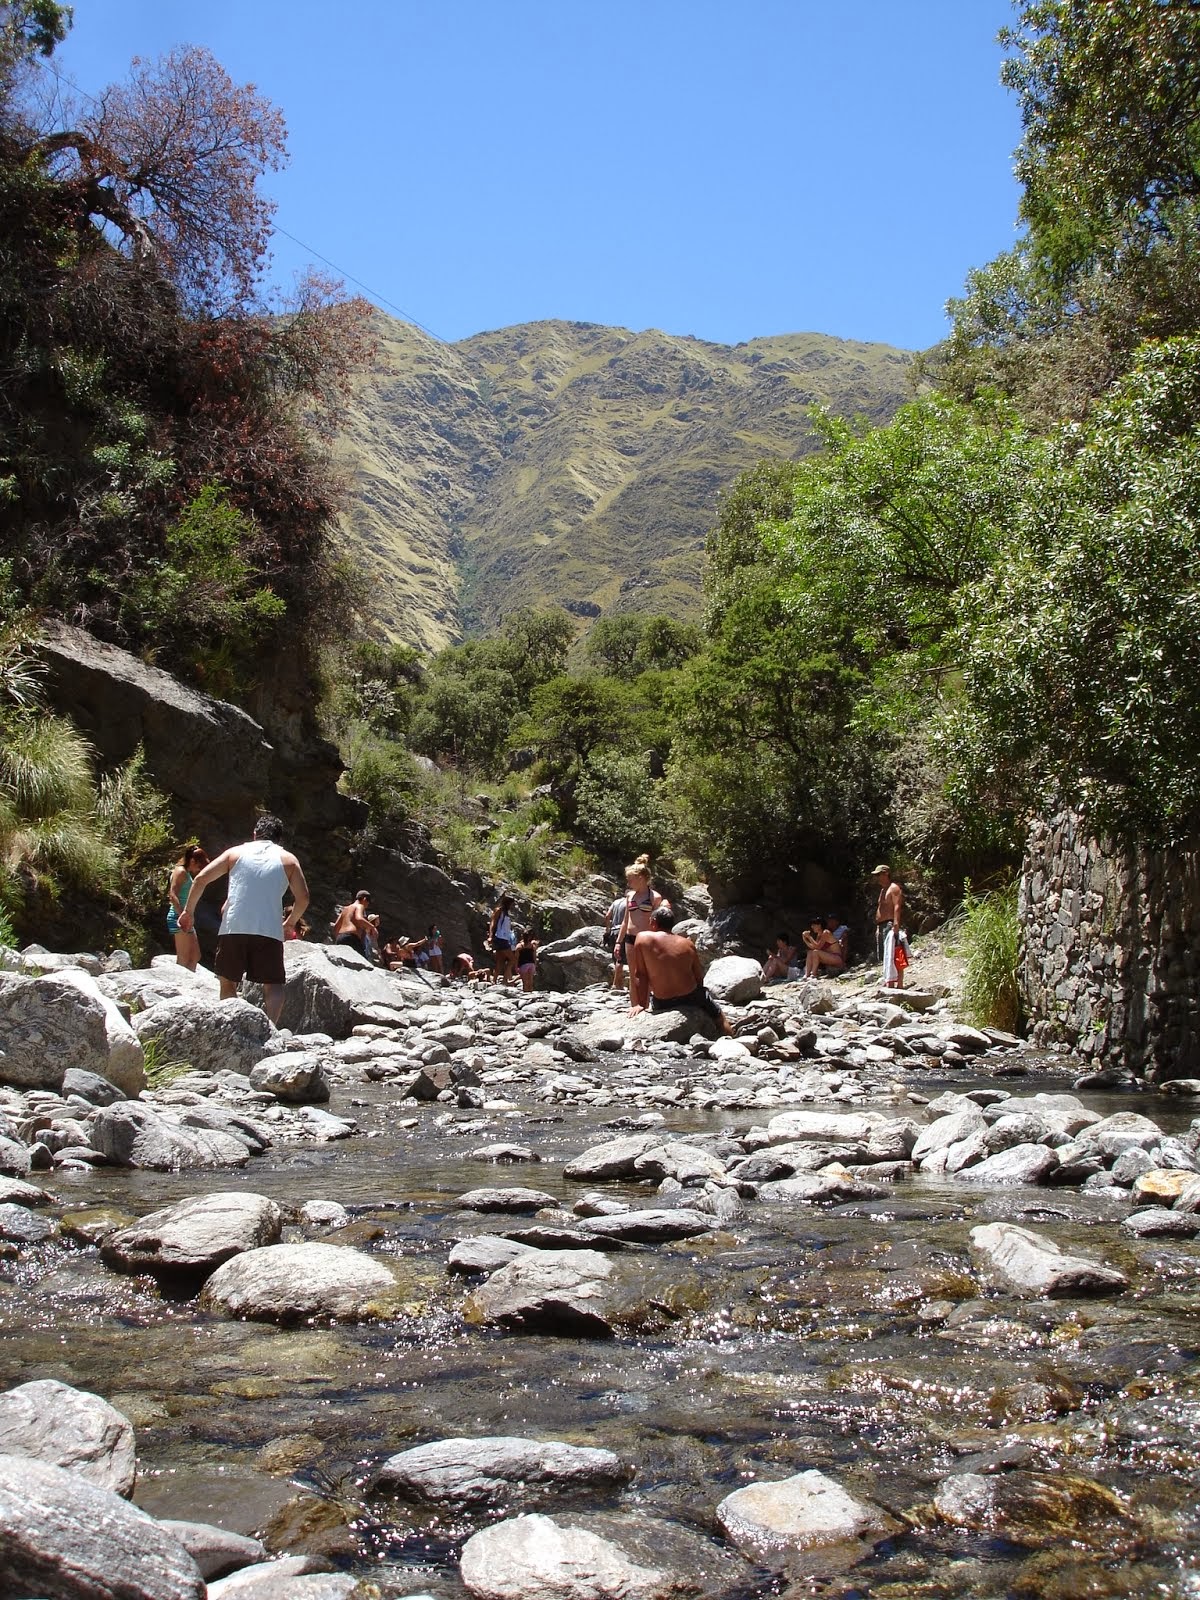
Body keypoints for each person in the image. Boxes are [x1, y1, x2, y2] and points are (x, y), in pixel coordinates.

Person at [178, 814, 309, 1026]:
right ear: (279, 839)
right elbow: (303, 898)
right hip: (269, 929)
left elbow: (201, 879)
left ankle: (232, 1027)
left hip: (234, 926)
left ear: (255, 833)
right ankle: (270, 1030)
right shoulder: (289, 860)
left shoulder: (235, 853)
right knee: (273, 984)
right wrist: (290, 923)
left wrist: (188, 912)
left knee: (227, 981)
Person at [629, 904, 731, 1034]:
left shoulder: (643, 938)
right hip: (691, 997)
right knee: (718, 1016)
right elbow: (699, 977)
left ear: (654, 922)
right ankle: (730, 1037)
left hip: (663, 1002)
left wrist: (641, 1005)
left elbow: (641, 974)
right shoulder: (687, 943)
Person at [616, 854, 668, 972]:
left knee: (647, 972)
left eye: (630, 880)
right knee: (633, 973)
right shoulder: (630, 895)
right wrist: (618, 942)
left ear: (640, 878)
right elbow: (625, 921)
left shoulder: (655, 897)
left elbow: (658, 924)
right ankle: (633, 991)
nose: (628, 884)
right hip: (630, 938)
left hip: (647, 939)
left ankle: (647, 991)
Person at [167, 844, 209, 971]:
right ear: (192, 861)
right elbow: (172, 894)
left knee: (195, 956)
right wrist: (182, 915)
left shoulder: (187, 874)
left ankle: (188, 982)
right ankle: (177, 986)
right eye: (198, 865)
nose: (198, 869)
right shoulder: (180, 872)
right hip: (178, 917)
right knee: (183, 958)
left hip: (186, 918)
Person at [872, 863, 910, 989]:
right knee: (886, 955)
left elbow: (897, 906)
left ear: (886, 874)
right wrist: (878, 927)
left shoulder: (893, 888)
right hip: (882, 925)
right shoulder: (883, 890)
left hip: (890, 924)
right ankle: (890, 982)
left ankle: (899, 984)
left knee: (895, 953)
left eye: (879, 875)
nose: (877, 878)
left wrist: (896, 924)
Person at [332, 890, 374, 959]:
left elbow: (336, 926)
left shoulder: (345, 909)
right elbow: (359, 918)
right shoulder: (360, 906)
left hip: (341, 938)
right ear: (364, 899)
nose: (367, 906)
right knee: (362, 962)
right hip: (352, 938)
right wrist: (372, 927)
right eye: (368, 903)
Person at [488, 894, 518, 984]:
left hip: (504, 938)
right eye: (511, 904)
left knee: (500, 960)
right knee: (513, 959)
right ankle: (505, 979)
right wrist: (490, 936)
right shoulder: (499, 911)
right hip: (500, 938)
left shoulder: (506, 913)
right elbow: (493, 923)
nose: (512, 906)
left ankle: (494, 980)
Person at [604, 889, 630, 990]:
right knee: (621, 958)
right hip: (623, 930)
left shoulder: (615, 902)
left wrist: (607, 929)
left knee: (616, 958)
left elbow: (607, 916)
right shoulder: (629, 903)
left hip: (613, 930)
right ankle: (616, 984)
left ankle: (618, 983)